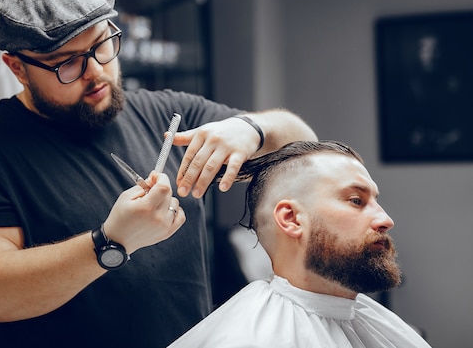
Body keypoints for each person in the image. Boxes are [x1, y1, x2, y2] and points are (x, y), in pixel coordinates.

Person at [0, 0, 317, 348]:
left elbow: (304, 148)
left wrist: (251, 128)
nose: (95, 71)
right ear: (17, 67)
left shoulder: (166, 113)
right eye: (67, 62)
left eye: (102, 45)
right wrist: (109, 243)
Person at [167, 140, 431, 348]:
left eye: (375, 201)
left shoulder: (382, 326)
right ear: (291, 219)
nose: (386, 220)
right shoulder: (245, 340)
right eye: (356, 200)